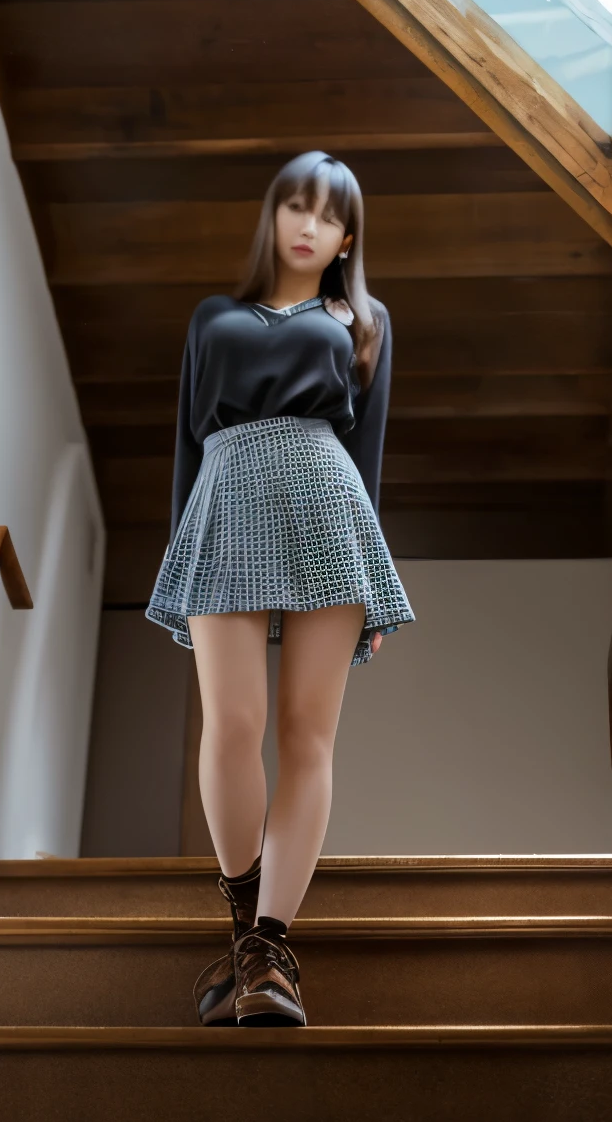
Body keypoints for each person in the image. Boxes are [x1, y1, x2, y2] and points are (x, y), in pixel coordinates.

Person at [145, 150, 414, 1027]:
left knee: (307, 734)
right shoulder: (211, 317)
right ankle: (251, 942)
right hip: (224, 499)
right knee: (232, 726)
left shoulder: (364, 320)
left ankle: (266, 947)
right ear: (272, 216)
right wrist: (178, 554)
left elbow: (366, 458)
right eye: (294, 206)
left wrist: (371, 580)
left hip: (329, 501)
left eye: (327, 215)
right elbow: (187, 446)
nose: (307, 224)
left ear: (346, 238)